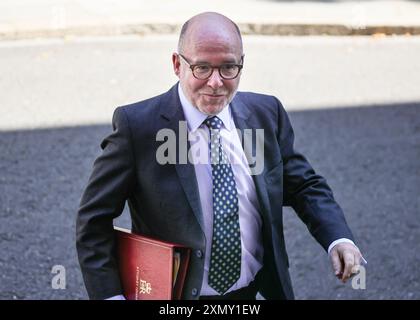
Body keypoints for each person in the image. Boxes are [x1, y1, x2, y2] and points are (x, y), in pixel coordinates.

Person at [76, 12, 365, 300]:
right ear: (178, 65)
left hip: (252, 292)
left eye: (228, 67)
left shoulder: (266, 114)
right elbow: (94, 218)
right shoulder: (138, 127)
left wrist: (338, 238)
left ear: (241, 64)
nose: (215, 82)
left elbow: (303, 185)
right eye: (202, 68)